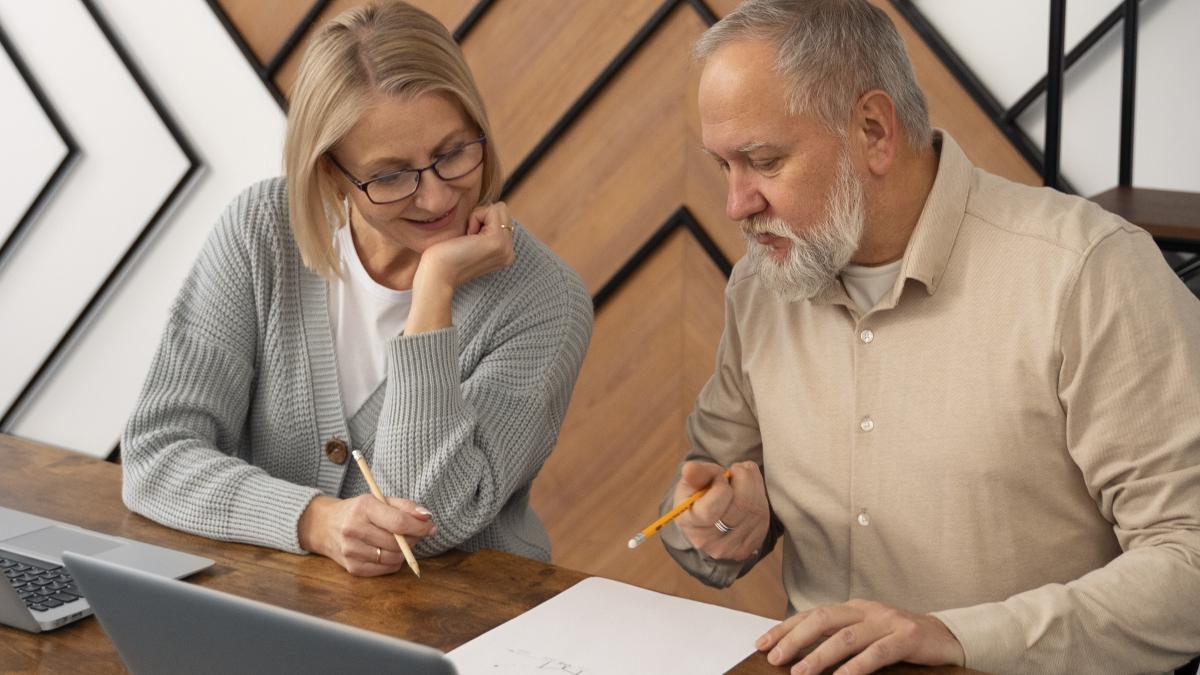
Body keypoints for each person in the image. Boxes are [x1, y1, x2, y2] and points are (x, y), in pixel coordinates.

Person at [659, 1, 1200, 673]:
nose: (737, 203)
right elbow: (699, 497)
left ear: (874, 130)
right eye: (723, 167)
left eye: (764, 161)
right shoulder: (760, 287)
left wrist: (957, 636)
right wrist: (717, 521)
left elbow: (1190, 560)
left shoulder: (1088, 272)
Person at [121, 0, 592, 577]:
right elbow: (156, 453)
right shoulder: (261, 234)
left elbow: (426, 517)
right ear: (328, 172)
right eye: (390, 176)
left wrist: (434, 290)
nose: (438, 197)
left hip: (468, 629)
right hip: (278, 611)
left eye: (453, 153)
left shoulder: (544, 300)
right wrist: (312, 519)